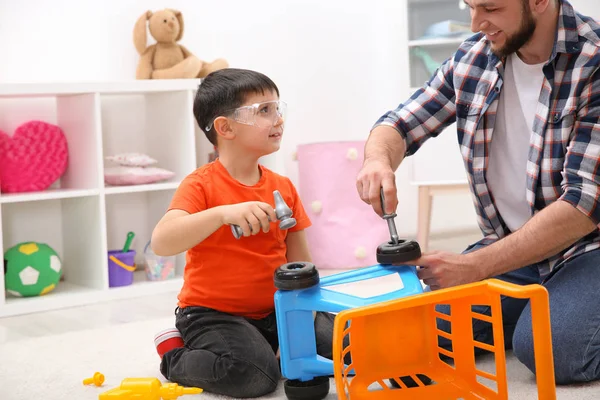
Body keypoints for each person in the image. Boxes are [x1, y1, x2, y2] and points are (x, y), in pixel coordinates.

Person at [356, 0, 600, 385]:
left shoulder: (594, 61)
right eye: (469, 5)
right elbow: (399, 124)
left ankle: (548, 311)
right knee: (403, 333)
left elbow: (582, 204)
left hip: (590, 247)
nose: (475, 21)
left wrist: (475, 267)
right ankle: (539, 305)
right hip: (515, 248)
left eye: (490, 7)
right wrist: (377, 160)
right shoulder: (474, 57)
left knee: (553, 350)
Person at [150, 68, 338, 398]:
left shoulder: (283, 187)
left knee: (349, 344)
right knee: (254, 376)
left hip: (278, 309)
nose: (278, 119)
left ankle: (269, 344)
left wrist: (301, 321)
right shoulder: (200, 185)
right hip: (213, 316)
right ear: (225, 127)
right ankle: (174, 356)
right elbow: (162, 242)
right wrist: (222, 214)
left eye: (277, 108)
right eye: (264, 110)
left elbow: (301, 266)